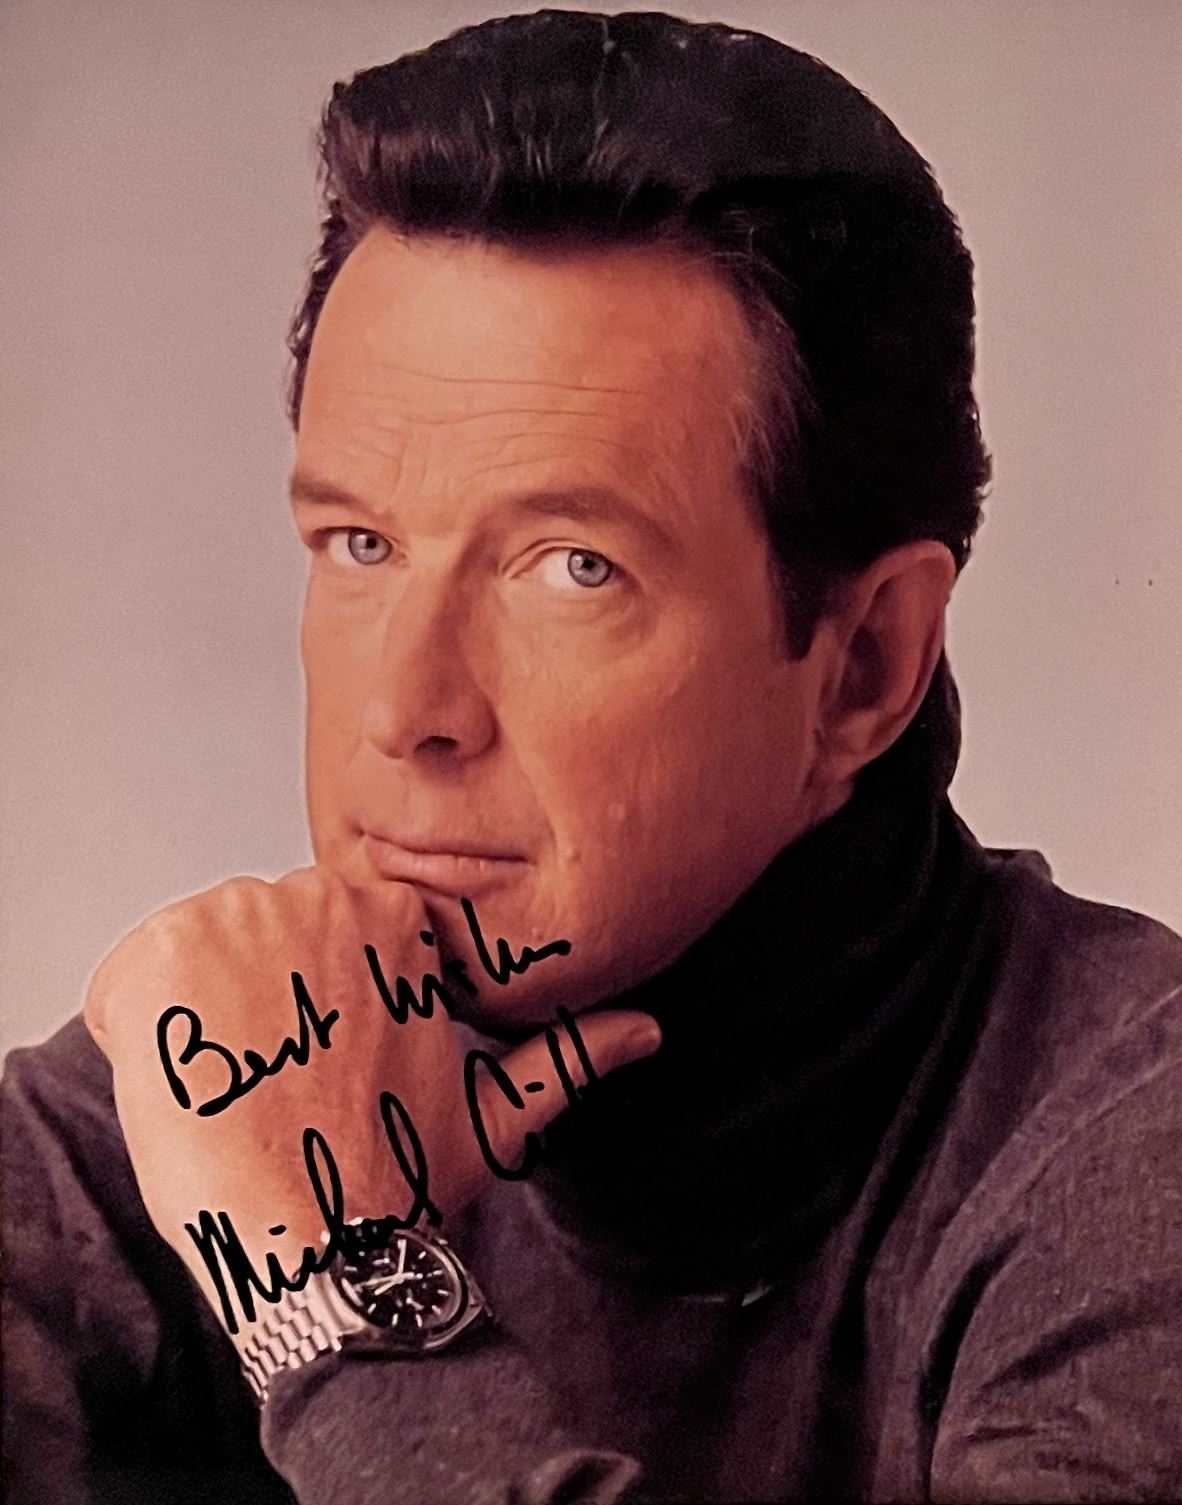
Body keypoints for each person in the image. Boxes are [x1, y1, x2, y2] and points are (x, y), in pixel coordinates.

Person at [3, 10, 1180, 1503]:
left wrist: (341, 1292)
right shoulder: (232, 1082)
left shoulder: (1131, 1141)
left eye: (572, 567)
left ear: (864, 666)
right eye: (359, 543)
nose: (404, 709)